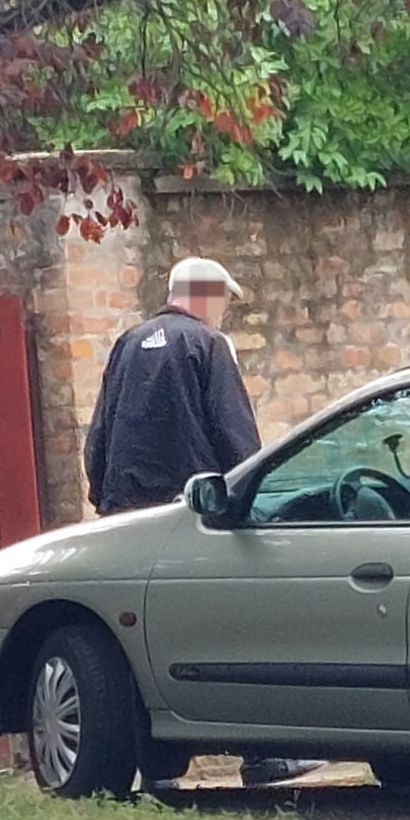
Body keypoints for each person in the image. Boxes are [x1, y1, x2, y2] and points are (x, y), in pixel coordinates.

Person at [83, 257, 323, 788]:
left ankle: (157, 767)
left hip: (128, 521)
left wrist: (105, 498)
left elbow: (99, 431)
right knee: (240, 632)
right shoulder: (208, 346)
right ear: (208, 296)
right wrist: (254, 499)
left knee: (143, 642)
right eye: (225, 302)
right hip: (196, 517)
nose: (226, 313)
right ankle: (264, 756)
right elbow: (235, 435)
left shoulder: (127, 343)